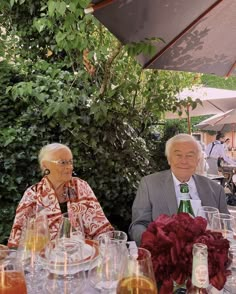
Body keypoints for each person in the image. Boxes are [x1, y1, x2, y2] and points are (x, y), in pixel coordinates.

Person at [129, 133, 229, 246]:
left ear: (198, 160)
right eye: (178, 155)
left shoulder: (216, 190)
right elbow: (138, 225)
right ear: (169, 159)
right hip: (166, 256)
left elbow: (226, 227)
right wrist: (154, 244)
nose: (184, 161)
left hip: (205, 256)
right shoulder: (149, 184)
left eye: (190, 155)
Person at [8, 143, 113, 248]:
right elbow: (19, 242)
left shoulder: (81, 186)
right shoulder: (32, 195)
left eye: (71, 162)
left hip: (83, 257)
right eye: (62, 162)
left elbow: (101, 230)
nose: (70, 167)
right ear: (45, 165)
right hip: (47, 260)